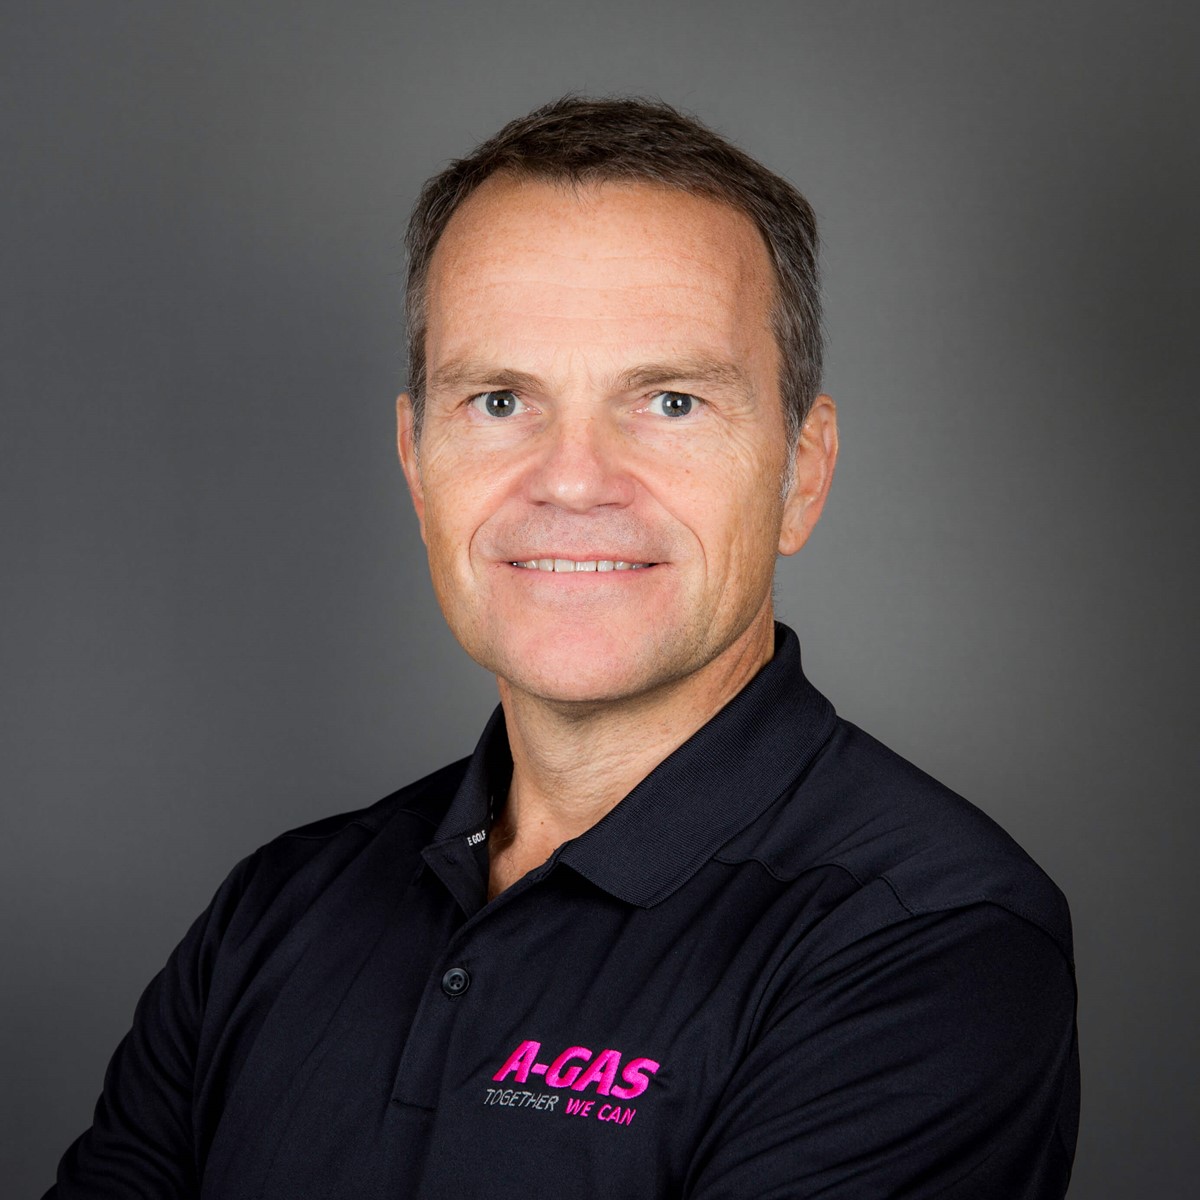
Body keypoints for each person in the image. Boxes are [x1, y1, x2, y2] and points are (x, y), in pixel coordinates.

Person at [47, 96, 1079, 1199]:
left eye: (671, 402)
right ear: (415, 459)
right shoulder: (275, 911)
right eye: (500, 400)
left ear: (802, 472)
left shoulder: (930, 944)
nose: (574, 479)